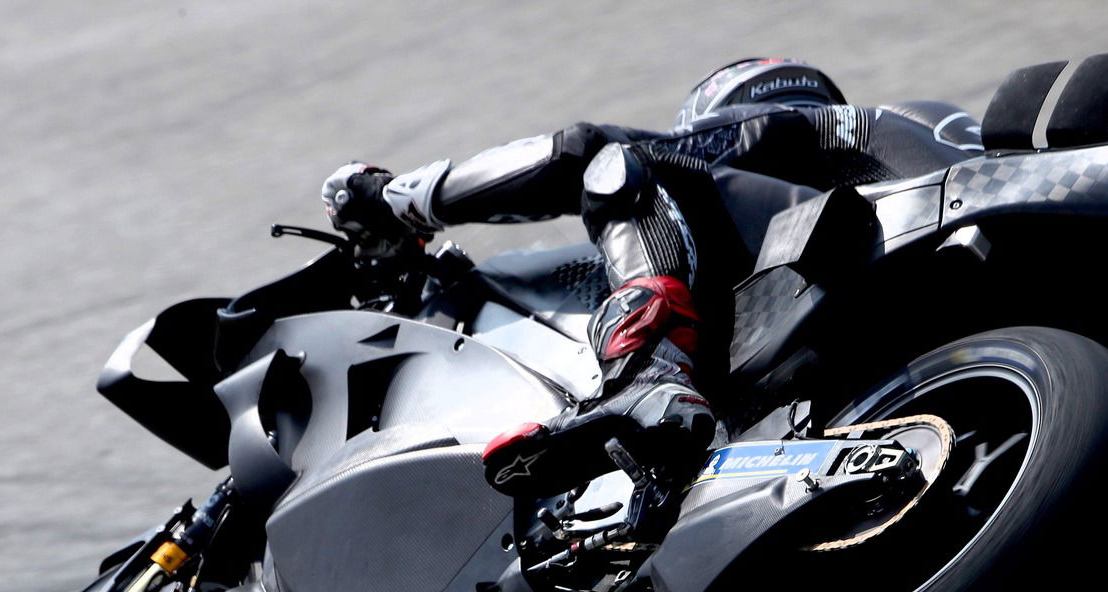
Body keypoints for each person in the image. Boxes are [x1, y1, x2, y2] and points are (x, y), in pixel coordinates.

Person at [322, 58, 981, 498]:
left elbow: (576, 148)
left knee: (614, 163)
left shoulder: (796, 134)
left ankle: (646, 378)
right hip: (958, 316)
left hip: (895, 248)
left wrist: (397, 200)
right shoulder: (930, 132)